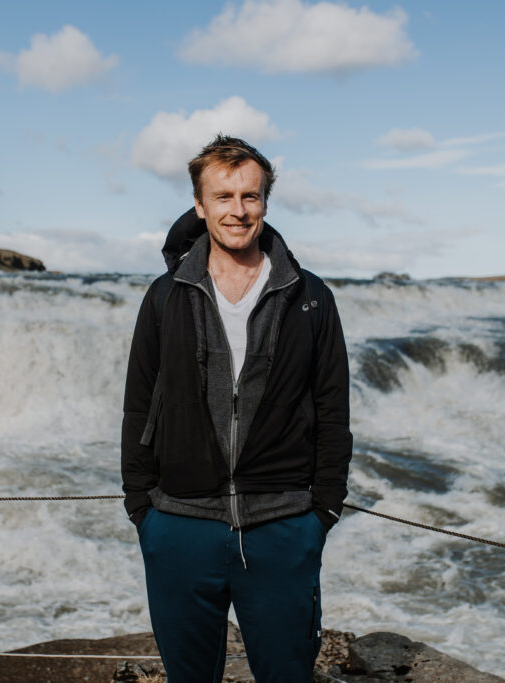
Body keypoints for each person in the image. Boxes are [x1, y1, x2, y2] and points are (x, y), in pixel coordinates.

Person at [121, 134, 352, 682]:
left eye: (250, 196)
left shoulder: (311, 297)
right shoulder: (165, 295)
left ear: (265, 203)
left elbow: (333, 408)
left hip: (282, 525)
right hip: (180, 524)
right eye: (223, 197)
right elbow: (138, 404)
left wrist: (323, 512)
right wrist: (142, 509)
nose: (238, 210)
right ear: (200, 207)